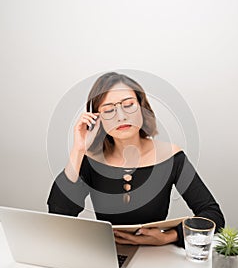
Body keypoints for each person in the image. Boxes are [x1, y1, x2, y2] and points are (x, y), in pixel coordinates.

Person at [47, 72, 225, 247]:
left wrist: (168, 237)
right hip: (107, 254)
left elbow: (213, 216)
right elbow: (59, 216)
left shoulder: (172, 156)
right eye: (109, 110)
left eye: (129, 105)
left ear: (142, 108)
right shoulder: (90, 160)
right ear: (96, 118)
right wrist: (78, 150)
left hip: (156, 257)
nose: (121, 116)